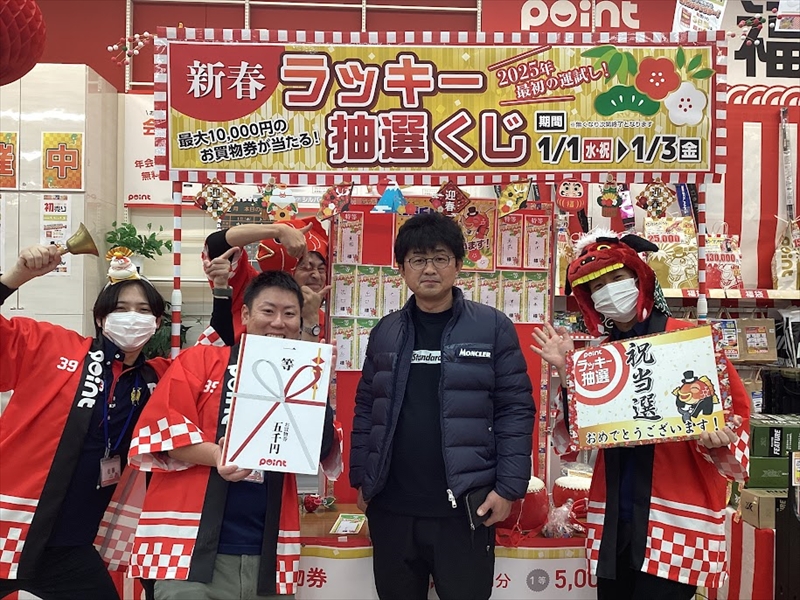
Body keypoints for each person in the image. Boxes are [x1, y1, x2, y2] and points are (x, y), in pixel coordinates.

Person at [530, 228, 750, 600]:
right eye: (597, 287)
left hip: (675, 516)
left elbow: (737, 414)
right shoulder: (598, 355)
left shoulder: (688, 341)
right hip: (615, 514)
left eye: (617, 278)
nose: (608, 291)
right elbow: (574, 441)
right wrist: (569, 374)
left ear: (640, 277)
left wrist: (719, 438)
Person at [350, 212, 535, 600]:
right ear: (402, 268)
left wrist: (508, 488)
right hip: (392, 507)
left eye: (440, 257)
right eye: (418, 259)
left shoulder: (492, 327)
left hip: (466, 508)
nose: (429, 269)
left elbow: (515, 408)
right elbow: (367, 407)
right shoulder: (386, 330)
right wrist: (362, 479)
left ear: (458, 264)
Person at [127, 270, 340, 599]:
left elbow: (321, 448)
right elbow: (161, 431)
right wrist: (216, 455)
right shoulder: (201, 360)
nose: (278, 322)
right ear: (245, 315)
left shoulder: (301, 374)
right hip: (188, 553)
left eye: (289, 314)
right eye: (268, 311)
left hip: (268, 556)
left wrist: (316, 385)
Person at [0, 245, 170, 600]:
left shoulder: (157, 378)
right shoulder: (51, 347)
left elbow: (218, 360)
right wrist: (15, 277)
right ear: (101, 318)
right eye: (121, 308)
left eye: (144, 311)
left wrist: (222, 292)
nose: (132, 317)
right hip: (9, 526)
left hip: (70, 547)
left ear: (157, 324)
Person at [203, 216, 330, 343]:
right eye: (306, 267)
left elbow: (311, 355)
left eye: (321, 269)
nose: (316, 276)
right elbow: (217, 244)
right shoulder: (255, 288)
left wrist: (311, 320)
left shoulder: (326, 321)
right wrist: (278, 231)